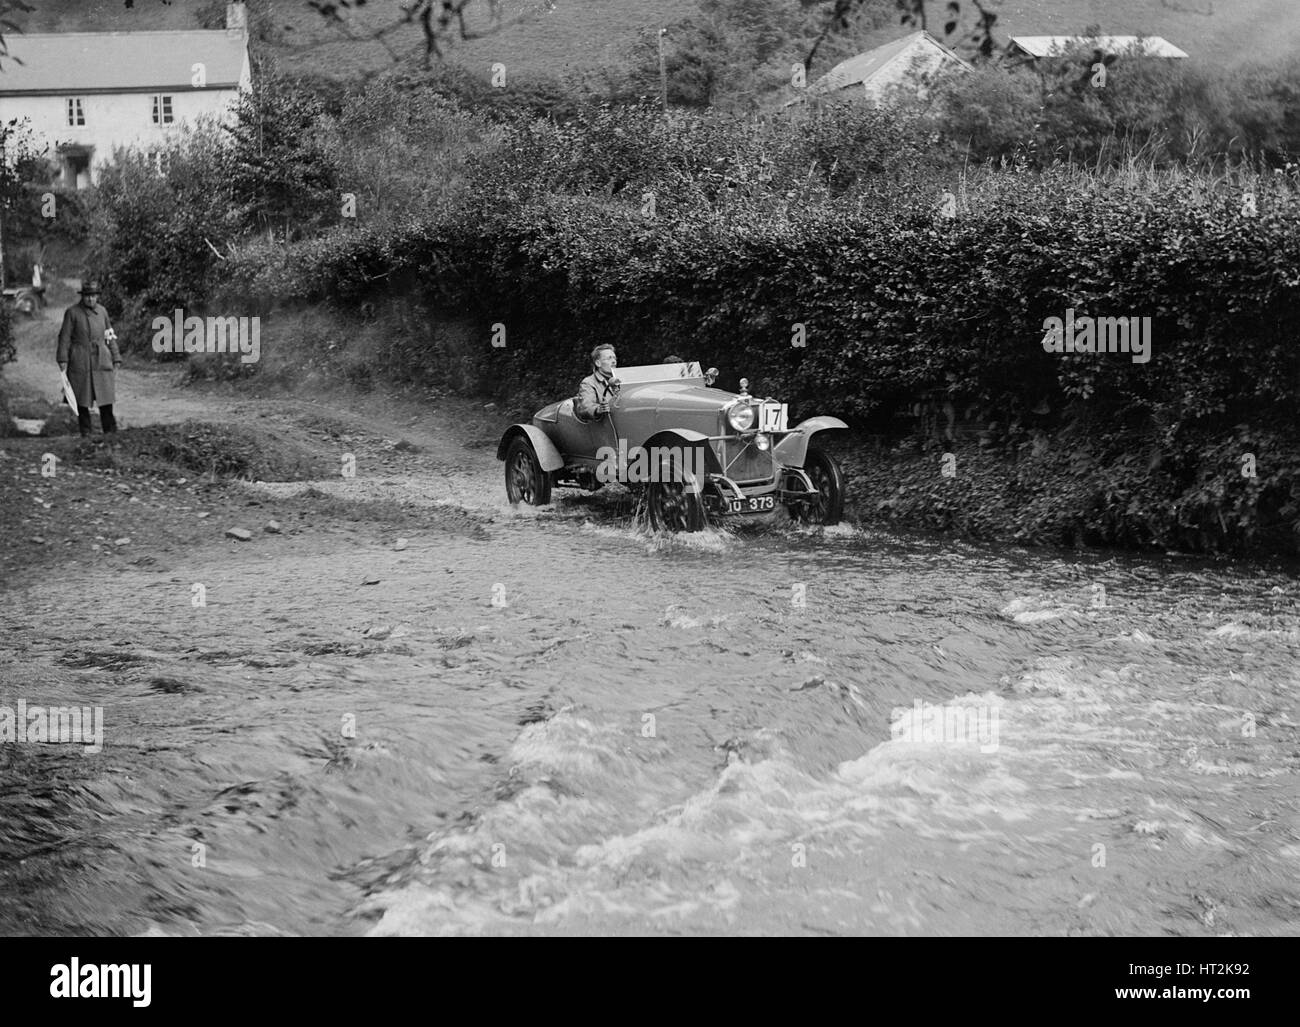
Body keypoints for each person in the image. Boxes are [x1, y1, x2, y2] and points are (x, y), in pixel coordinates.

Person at [57, 279, 121, 437]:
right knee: (81, 399)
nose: (90, 299)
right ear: (82, 297)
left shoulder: (103, 312)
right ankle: (86, 434)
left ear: (97, 296)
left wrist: (116, 356)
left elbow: (109, 335)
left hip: (101, 358)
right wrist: (63, 359)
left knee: (106, 397)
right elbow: (64, 337)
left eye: (93, 296)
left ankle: (110, 432)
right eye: (87, 296)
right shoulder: (72, 313)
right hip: (80, 359)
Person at [576, 343, 619, 420]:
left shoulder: (621, 380)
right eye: (609, 358)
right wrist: (598, 409)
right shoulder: (588, 383)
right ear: (598, 363)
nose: (613, 361)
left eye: (614, 358)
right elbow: (585, 408)